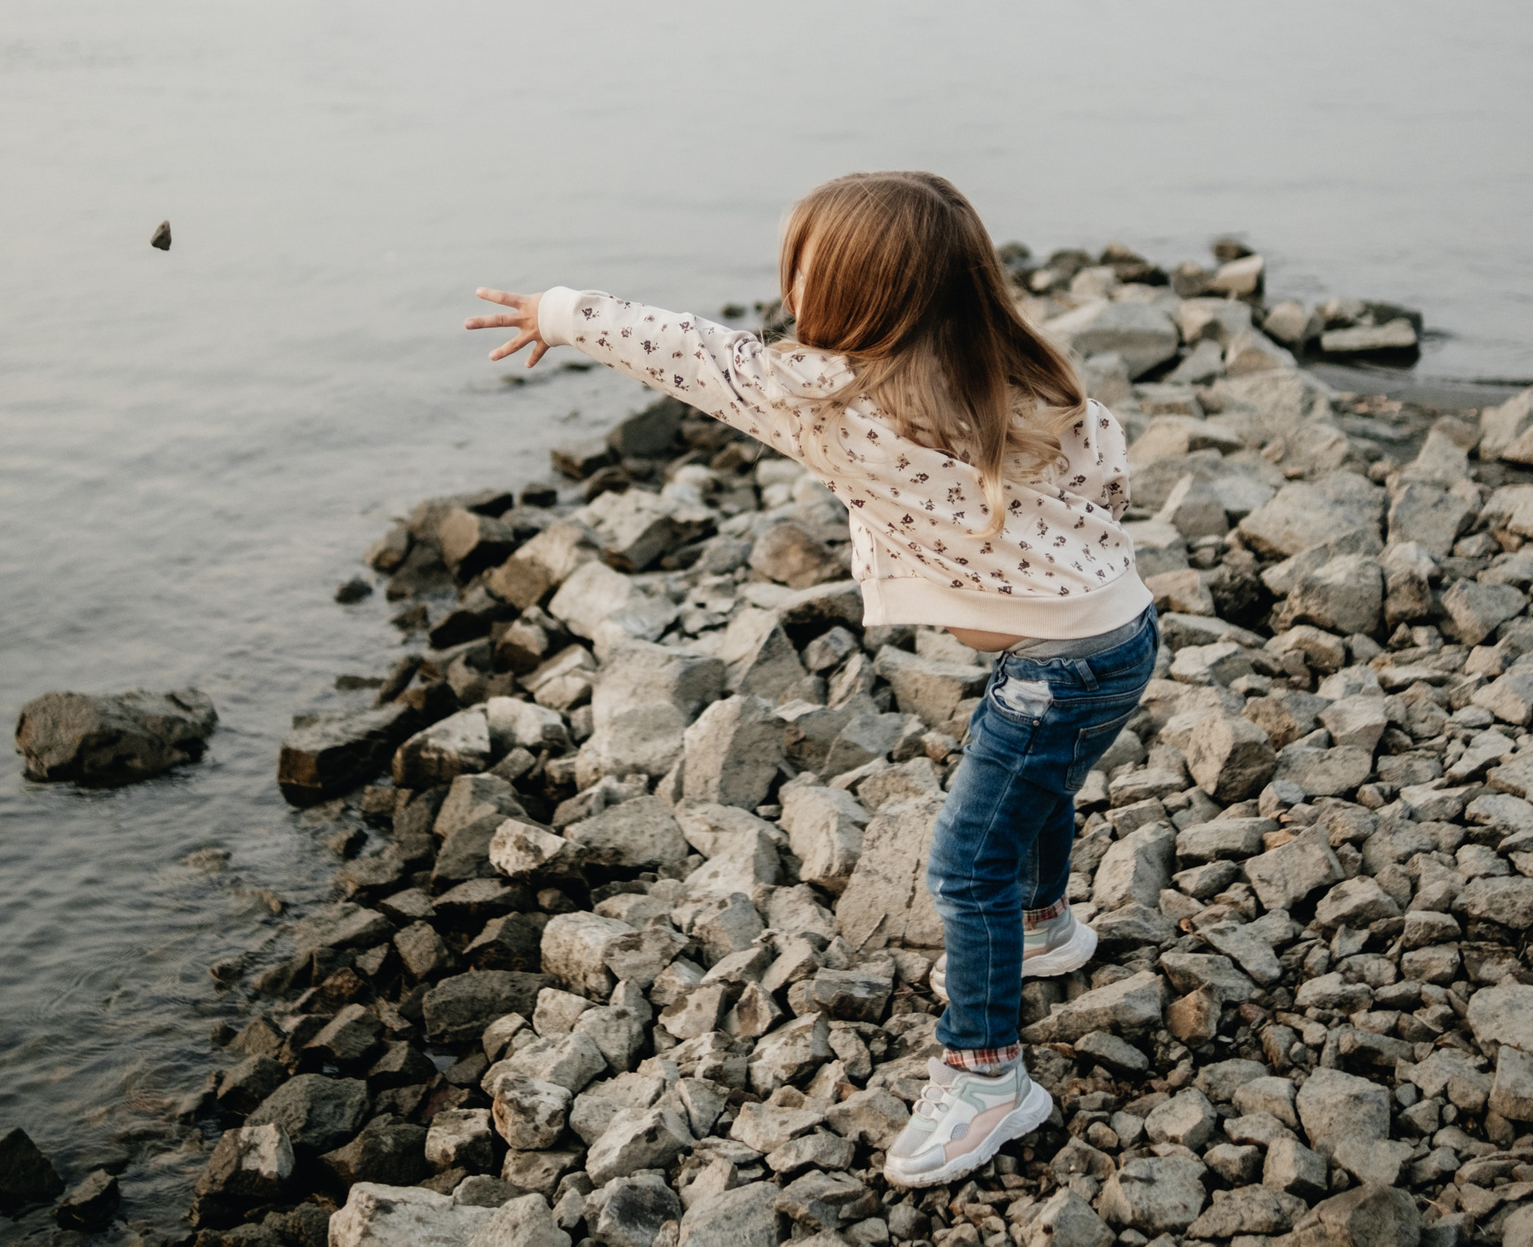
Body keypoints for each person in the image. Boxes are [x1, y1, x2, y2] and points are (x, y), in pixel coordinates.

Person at [465, 170, 1161, 1189]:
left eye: (796, 265)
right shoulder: (1014, 370)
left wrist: (562, 315)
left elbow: (694, 353)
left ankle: (986, 1077)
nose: (781, 282)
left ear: (844, 291)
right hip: (1118, 637)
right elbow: (1109, 480)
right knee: (1037, 788)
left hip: (1052, 670)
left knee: (964, 865)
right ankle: (1045, 924)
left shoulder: (824, 398)